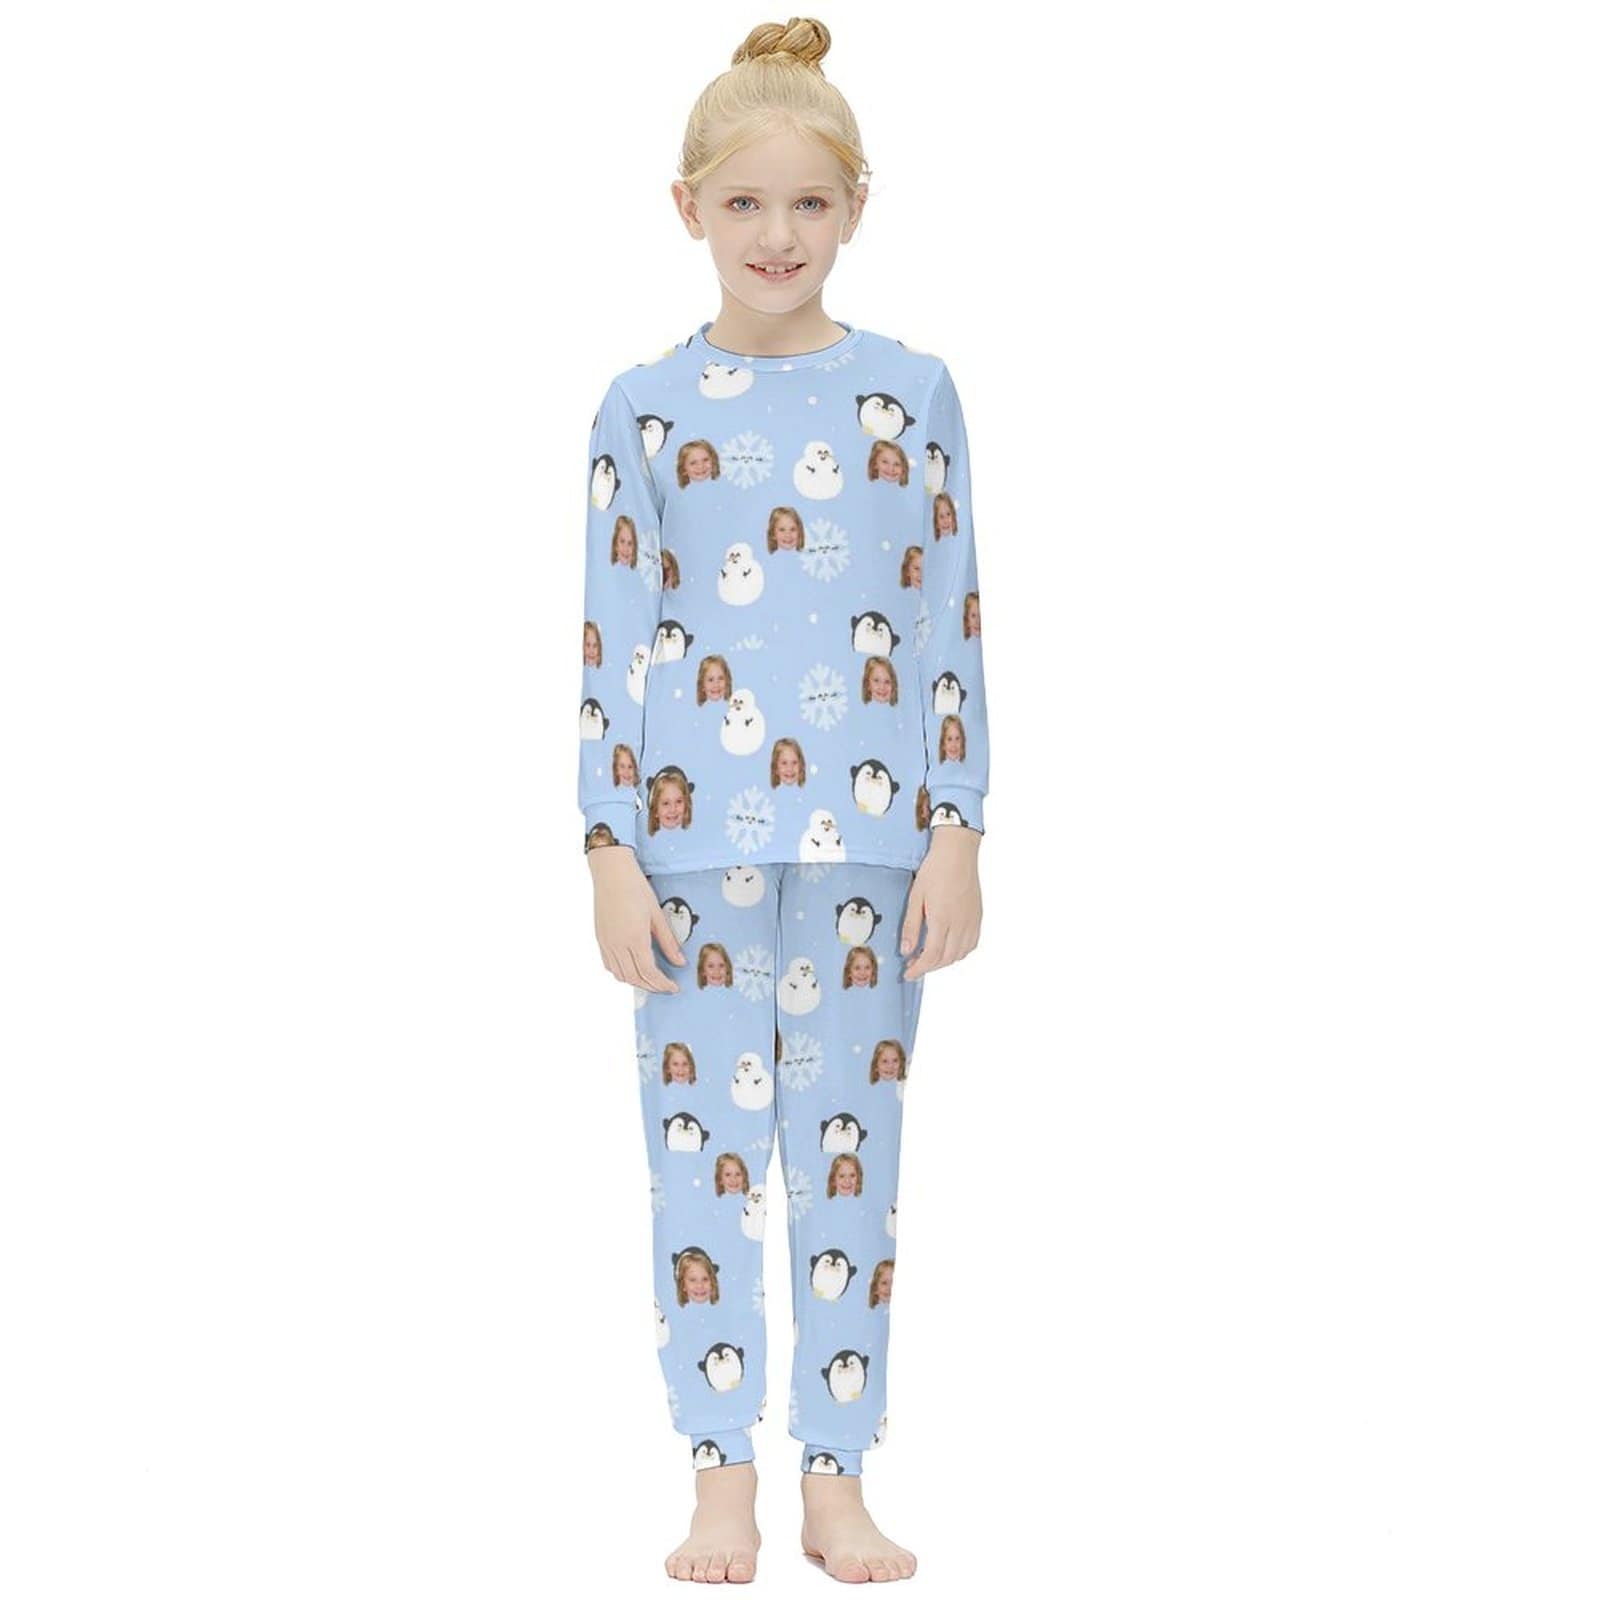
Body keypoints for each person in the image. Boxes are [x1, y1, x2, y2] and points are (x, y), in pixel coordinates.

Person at [576, 17, 990, 1584]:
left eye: (809, 202)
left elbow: (948, 614)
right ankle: (719, 1476)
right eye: (744, 202)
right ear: (687, 207)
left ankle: (835, 1474)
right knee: (703, 1169)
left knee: (848, 1166)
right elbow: (613, 634)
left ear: (856, 207)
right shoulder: (643, 407)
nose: (777, 234)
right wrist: (608, 846)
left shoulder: (914, 392)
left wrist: (958, 822)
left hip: (873, 855)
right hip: (689, 853)